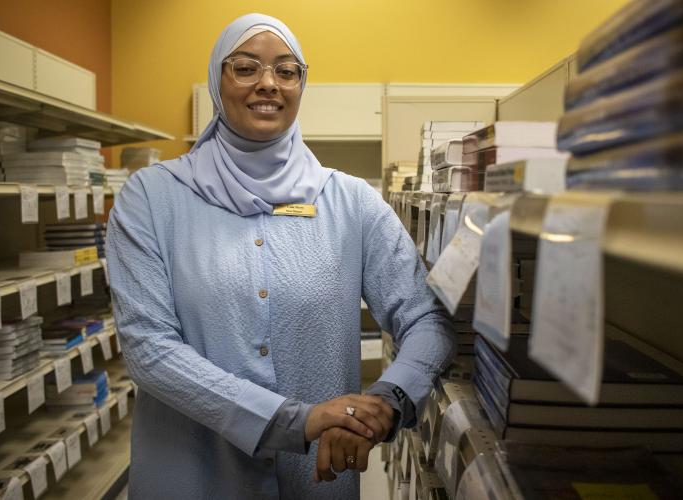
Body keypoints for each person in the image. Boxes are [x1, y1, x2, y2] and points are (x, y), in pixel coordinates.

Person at [106, 12, 454, 500]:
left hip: (316, 482)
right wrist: (298, 420)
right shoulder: (151, 198)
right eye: (245, 68)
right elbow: (148, 348)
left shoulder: (352, 203)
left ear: (300, 85)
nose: (268, 83)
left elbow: (427, 320)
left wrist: (387, 400)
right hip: (193, 480)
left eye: (287, 71)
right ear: (216, 80)